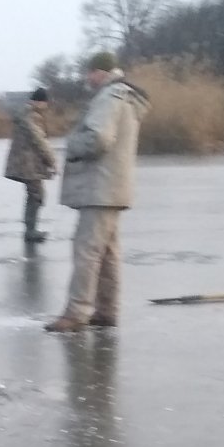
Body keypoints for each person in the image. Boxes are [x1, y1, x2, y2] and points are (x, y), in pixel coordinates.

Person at [45, 51, 150, 333]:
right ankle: (106, 310)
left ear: (99, 72)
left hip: (100, 187)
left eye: (89, 73)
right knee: (107, 252)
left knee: (87, 251)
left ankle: (76, 312)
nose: (86, 78)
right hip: (113, 186)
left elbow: (99, 138)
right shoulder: (125, 97)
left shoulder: (108, 97)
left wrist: (72, 145)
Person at [4, 86, 58, 244]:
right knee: (37, 195)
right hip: (29, 163)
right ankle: (31, 231)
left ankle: (30, 229)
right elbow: (39, 140)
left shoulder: (23, 115)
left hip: (22, 162)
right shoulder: (33, 117)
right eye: (45, 102)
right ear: (40, 102)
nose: (46, 106)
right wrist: (52, 161)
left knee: (33, 194)